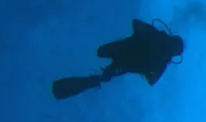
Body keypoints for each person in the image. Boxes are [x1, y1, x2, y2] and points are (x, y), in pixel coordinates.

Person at [52, 19, 185, 100]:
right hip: (123, 64)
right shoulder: (162, 62)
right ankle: (88, 82)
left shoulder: (156, 37)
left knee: (100, 53)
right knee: (102, 75)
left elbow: (136, 23)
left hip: (122, 50)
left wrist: (152, 34)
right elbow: (152, 80)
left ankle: (84, 77)